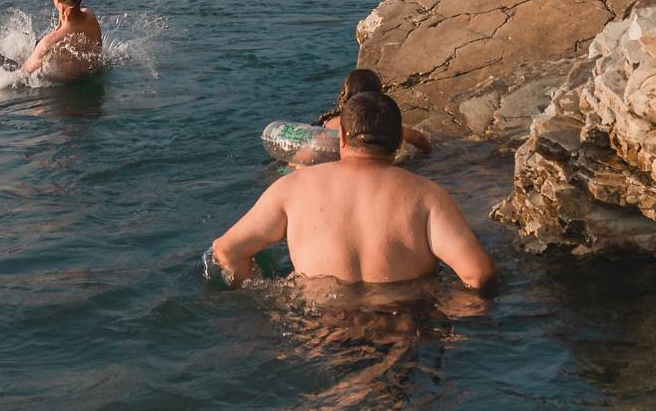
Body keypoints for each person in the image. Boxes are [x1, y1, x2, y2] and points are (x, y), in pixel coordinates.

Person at [211, 92, 496, 288]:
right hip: (400, 330)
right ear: (399, 141)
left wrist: (251, 290)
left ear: (342, 138)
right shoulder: (428, 196)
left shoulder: (291, 188)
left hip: (320, 335)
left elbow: (227, 251)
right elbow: (478, 275)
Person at [0, 0, 103, 82]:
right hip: (89, 73)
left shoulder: (48, 43)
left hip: (65, 87)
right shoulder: (90, 15)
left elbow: (23, 73)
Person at [316, 69, 431, 153]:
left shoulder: (328, 123)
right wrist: (428, 153)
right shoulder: (378, 124)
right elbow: (418, 138)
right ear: (378, 97)